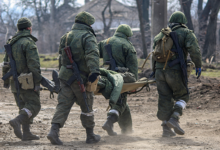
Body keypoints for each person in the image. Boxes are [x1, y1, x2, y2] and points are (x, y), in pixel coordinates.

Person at [47, 11, 101, 145]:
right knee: (87, 105)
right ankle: (90, 135)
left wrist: (61, 74)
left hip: (65, 76)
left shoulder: (66, 36)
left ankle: (53, 132)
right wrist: (94, 71)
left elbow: (61, 57)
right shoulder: (88, 36)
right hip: (80, 78)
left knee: (63, 105)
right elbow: (92, 54)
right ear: (87, 23)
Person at [153, 11, 202, 137]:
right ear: (183, 22)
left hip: (159, 71)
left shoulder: (161, 34)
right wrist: (198, 65)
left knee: (165, 98)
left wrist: (154, 72)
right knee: (183, 95)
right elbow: (195, 50)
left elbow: (154, 54)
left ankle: (166, 128)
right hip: (174, 70)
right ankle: (174, 118)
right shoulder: (186, 33)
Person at [2, 17, 42, 141]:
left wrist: (6, 80)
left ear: (19, 28)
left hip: (14, 81)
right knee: (34, 105)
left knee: (23, 106)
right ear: (29, 28)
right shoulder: (28, 42)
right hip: (27, 81)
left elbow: (5, 63)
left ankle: (26, 133)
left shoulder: (11, 42)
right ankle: (17, 121)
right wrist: (37, 82)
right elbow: (34, 64)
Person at [98, 24, 138, 136]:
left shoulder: (104, 42)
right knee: (120, 101)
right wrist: (134, 85)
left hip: (105, 77)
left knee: (122, 102)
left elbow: (93, 54)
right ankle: (109, 121)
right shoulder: (128, 46)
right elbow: (133, 69)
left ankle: (127, 129)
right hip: (120, 79)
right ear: (127, 35)